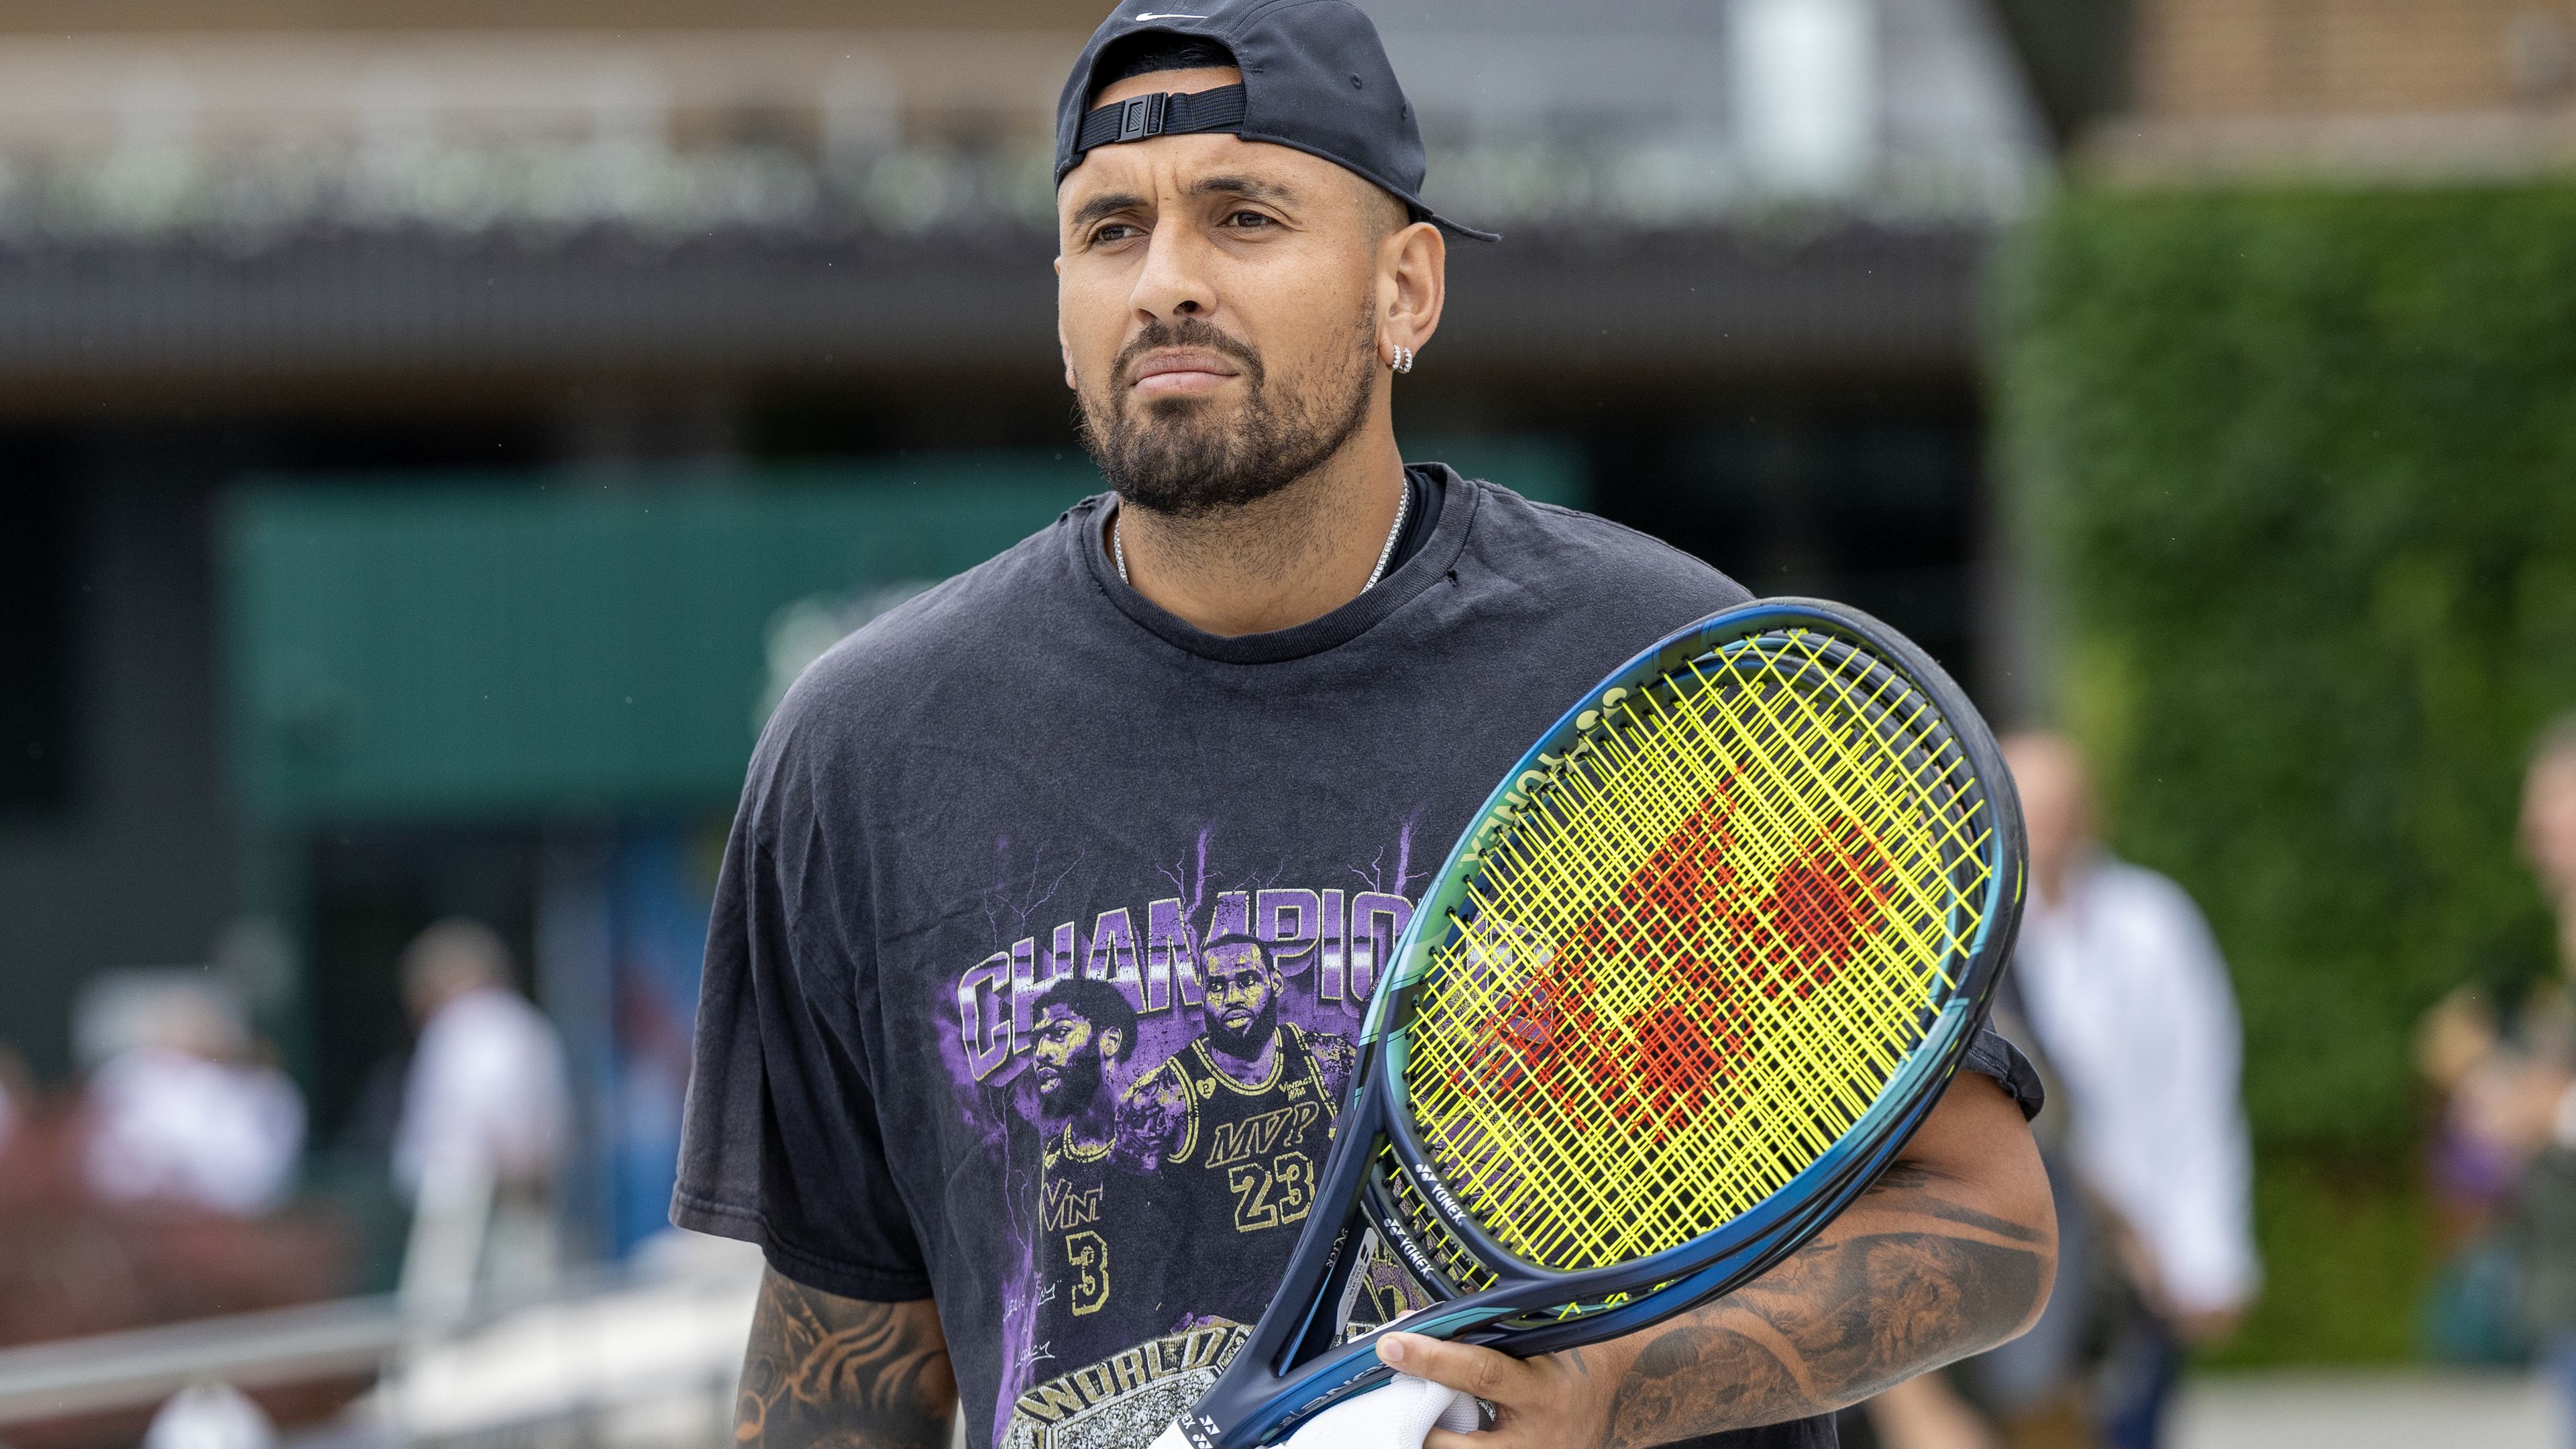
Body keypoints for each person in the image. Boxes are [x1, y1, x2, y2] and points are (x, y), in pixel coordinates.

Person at [673, 5, 2058, 1447]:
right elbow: (842, 1362)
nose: (1166, 283)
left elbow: (1982, 1223)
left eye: (1244, 215)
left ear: (1408, 289)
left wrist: (1611, 1397)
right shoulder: (869, 748)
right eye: (1108, 231)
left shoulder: (1671, 684)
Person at [1998, 734, 2259, 1449]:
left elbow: (2199, 1090)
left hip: (2141, 1264)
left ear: (2091, 813)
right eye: (2029, 807)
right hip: (2027, 1255)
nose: (2043, 827)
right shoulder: (1973, 933)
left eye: (2060, 808)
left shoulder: (2152, 923)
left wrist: (2208, 1251)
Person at [392, 918, 572, 1301]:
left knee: (443, 1304)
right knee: (526, 1299)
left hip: (466, 1187)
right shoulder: (529, 1021)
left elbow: (478, 1104)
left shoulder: (467, 1021)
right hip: (523, 1183)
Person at [82, 979, 305, 1217]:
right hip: (134, 1210)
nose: (182, 1038)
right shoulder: (130, 1074)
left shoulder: (254, 1091)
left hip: (227, 1211)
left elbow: (255, 1173)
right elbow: (102, 1152)